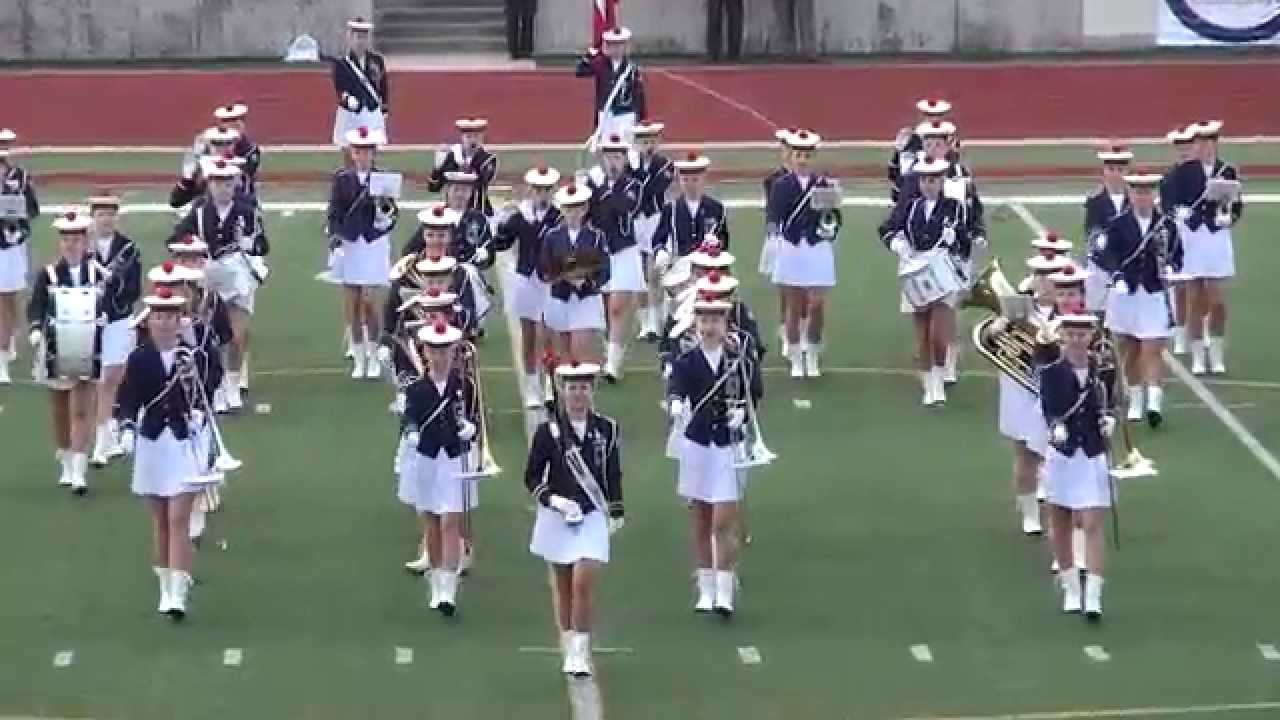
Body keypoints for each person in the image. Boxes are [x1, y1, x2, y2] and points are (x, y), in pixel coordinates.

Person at [118, 286, 224, 621]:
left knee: (178, 518)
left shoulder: (192, 354)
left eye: (171, 317)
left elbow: (212, 381)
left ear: (180, 321)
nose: (164, 323)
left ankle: (178, 591)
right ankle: (165, 585)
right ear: (150, 322)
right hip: (152, 442)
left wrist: (197, 358)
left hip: (185, 441)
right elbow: (129, 396)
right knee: (161, 520)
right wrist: (124, 428)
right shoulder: (140, 357)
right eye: (159, 317)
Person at [525, 358, 624, 676]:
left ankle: (581, 649)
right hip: (558, 516)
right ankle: (569, 643)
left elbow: (612, 472)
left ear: (592, 391)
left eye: (583, 387)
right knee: (563, 584)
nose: (578, 394)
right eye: (572, 388)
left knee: (583, 581)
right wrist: (554, 501)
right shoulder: (548, 432)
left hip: (592, 513)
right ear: (563, 392)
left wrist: (617, 508)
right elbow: (532, 477)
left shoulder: (607, 429)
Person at [667, 294, 761, 617]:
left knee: (723, 519)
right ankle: (705, 588)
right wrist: (677, 406)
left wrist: (743, 417)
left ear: (725, 325)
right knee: (701, 518)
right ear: (697, 324)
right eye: (705, 321)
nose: (710, 327)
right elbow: (676, 389)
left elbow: (753, 393)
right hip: (696, 445)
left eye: (716, 321)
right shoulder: (687, 362)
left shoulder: (738, 361)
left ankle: (725, 590)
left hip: (728, 446)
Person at [169, 159, 266, 410]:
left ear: (235, 183)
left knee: (236, 335)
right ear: (209, 185)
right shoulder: (200, 210)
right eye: (217, 183)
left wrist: (250, 243)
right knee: (210, 334)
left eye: (227, 183)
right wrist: (194, 248)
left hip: (239, 270)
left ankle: (233, 384)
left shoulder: (247, 209)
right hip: (210, 272)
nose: (223, 188)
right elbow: (175, 238)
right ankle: (218, 384)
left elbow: (262, 244)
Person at [1041, 312, 1116, 621]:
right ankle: (1071, 586)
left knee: (1092, 522)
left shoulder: (1103, 371)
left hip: (1093, 453)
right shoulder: (1051, 372)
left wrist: (1110, 418)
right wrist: (1054, 426)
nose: (1076, 340)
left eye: (1082, 335)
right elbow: (1049, 407)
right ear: (1063, 337)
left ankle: (1094, 593)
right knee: (1060, 520)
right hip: (1062, 454)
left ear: (1091, 338)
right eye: (1071, 334)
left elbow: (1110, 402)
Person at [879, 157, 970, 406]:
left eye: (934, 180)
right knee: (921, 335)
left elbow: (965, 243)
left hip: (943, 273)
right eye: (925, 180)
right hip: (916, 271)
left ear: (942, 181)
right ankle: (929, 383)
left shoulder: (954, 207)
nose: (929, 185)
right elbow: (886, 229)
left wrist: (957, 240)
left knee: (938, 334)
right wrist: (897, 244)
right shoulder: (909, 207)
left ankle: (939, 375)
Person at [1096, 170, 1182, 427]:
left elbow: (1178, 254)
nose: (1143, 198)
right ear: (1131, 195)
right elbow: (1106, 255)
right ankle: (1135, 400)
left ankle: (1154, 403)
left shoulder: (1167, 224)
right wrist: (1118, 275)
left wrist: (1172, 269)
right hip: (1126, 294)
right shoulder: (1117, 225)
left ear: (1154, 195)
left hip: (1155, 294)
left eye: (1147, 193)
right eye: (1138, 193)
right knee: (1130, 349)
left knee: (1152, 348)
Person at [402, 319, 475, 616]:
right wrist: (411, 433)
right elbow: (409, 417)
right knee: (432, 522)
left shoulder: (465, 384)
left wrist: (473, 428)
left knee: (450, 522)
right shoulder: (417, 389)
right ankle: (436, 583)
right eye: (434, 351)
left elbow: (477, 414)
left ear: (453, 352)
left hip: (456, 457)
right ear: (426, 353)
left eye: (445, 351)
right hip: (428, 457)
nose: (440, 356)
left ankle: (450, 589)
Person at [991, 253, 1068, 536]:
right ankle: (1029, 512)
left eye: (1052, 275)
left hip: (1058, 390)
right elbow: (993, 338)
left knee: (1058, 454)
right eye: (1042, 275)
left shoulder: (1070, 311)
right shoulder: (1018, 308)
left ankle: (1058, 514)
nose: (1047, 282)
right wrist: (1000, 326)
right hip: (1021, 388)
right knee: (1025, 454)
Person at [28, 211, 103, 492]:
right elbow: (36, 306)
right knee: (60, 409)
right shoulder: (48, 274)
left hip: (87, 347)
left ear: (85, 242)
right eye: (67, 239)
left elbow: (109, 302)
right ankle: (66, 461)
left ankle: (80, 470)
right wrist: (36, 328)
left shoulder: (97, 272)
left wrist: (104, 318)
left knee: (82, 409)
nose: (71, 245)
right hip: (54, 346)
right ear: (60, 243)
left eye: (77, 239)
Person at [1166, 120, 1242, 375]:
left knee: (1218, 301)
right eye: (1201, 142)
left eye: (1210, 141)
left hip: (1217, 237)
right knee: (1195, 298)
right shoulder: (1183, 172)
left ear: (1216, 144)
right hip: (1193, 237)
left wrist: (1229, 218)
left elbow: (1236, 203)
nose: (1205, 147)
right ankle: (1198, 354)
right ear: (1196, 144)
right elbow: (1170, 201)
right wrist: (1180, 213)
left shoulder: (1227, 170)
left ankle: (1217, 352)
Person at [767, 130, 841, 378]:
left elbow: (834, 216)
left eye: (807, 155)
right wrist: (776, 239)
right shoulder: (781, 185)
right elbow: (773, 217)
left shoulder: (823, 184)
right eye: (798, 155)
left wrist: (830, 227)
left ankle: (813, 351)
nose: (802, 160)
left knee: (817, 305)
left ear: (813, 157)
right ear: (792, 156)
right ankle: (797, 356)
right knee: (794, 304)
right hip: (792, 247)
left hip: (817, 247)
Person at [327, 127, 398, 381]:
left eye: (368, 151)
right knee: (353, 305)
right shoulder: (342, 179)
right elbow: (334, 212)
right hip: (350, 244)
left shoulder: (382, 178)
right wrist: (335, 242)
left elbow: (392, 213)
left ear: (373, 153)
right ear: (352, 154)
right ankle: (358, 358)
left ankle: (373, 351)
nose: (363, 156)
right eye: (358, 151)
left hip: (374, 243)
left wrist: (384, 218)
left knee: (370, 303)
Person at [494, 165, 563, 407]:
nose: (542, 195)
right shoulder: (520, 216)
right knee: (529, 336)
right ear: (530, 191)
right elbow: (501, 243)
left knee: (549, 335)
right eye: (538, 190)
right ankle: (532, 387)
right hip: (525, 279)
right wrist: (499, 224)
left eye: (546, 190)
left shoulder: (559, 217)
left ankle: (550, 386)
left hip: (550, 281)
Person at [86, 192, 142, 467]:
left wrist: (112, 302)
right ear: (93, 217)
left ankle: (111, 433)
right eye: (101, 214)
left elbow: (134, 289)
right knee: (98, 380)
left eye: (110, 214)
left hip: (119, 320)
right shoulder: (84, 248)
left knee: (114, 378)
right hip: (89, 322)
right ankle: (102, 439)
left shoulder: (129, 248)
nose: (106, 219)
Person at [586, 135, 644, 382]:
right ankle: (611, 348)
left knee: (618, 307)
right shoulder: (593, 184)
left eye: (618, 157)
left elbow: (622, 208)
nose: (613, 163)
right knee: (602, 307)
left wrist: (601, 191)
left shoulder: (632, 187)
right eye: (609, 157)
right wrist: (585, 187)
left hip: (623, 251)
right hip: (599, 252)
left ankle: (612, 364)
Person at [539, 183, 609, 363]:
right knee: (562, 357)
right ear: (561, 209)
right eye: (568, 208)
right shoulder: (552, 236)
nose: (572, 213)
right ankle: (559, 390)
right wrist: (565, 277)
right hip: (559, 299)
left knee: (581, 354)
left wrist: (587, 282)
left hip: (586, 300)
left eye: (577, 208)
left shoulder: (596, 236)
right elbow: (544, 269)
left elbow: (605, 269)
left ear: (584, 209)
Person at [0, 128, 41, 385]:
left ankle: (10, 337)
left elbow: (33, 210)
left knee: (10, 299)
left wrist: (16, 218)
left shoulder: (21, 178)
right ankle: (2, 356)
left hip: (10, 246)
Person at [630, 122, 674, 342]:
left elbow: (650, 190)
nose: (648, 146)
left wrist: (635, 175)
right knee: (638, 275)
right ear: (636, 143)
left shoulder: (665, 165)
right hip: (635, 222)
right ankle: (645, 323)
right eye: (643, 141)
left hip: (655, 219)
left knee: (654, 272)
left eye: (651, 141)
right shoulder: (629, 165)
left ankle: (658, 321)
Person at [1082, 145, 1133, 317]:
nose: (1116, 174)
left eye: (1120, 169)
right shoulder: (1095, 202)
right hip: (1102, 267)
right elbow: (1093, 237)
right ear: (1104, 172)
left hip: (1130, 265)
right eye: (1111, 169)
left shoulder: (1136, 200)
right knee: (1099, 316)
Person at [575, 27, 647, 147]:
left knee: (628, 149)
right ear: (607, 47)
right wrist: (590, 55)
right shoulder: (600, 64)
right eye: (613, 45)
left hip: (626, 114)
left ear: (625, 47)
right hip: (606, 115)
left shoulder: (632, 69)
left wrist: (642, 118)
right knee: (605, 148)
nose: (617, 49)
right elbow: (580, 72)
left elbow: (639, 95)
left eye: (620, 45)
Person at [332, 17, 390, 161]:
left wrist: (384, 109)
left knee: (372, 152)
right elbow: (339, 89)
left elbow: (383, 86)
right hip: (351, 113)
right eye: (357, 37)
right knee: (350, 153)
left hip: (371, 111)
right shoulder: (342, 64)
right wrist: (348, 101)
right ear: (350, 38)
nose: (360, 41)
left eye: (364, 37)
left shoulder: (377, 61)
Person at [1161, 126, 1196, 354]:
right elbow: (1165, 208)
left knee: (1203, 289)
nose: (1184, 150)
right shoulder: (1169, 178)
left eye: (1187, 146)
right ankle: (1181, 332)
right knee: (1181, 287)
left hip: (1202, 236)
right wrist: (1174, 216)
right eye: (1180, 146)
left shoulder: (1203, 174)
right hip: (1178, 236)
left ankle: (1200, 334)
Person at [761, 128, 794, 356]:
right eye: (786, 148)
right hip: (782, 238)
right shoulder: (772, 180)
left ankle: (800, 331)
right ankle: (786, 329)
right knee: (785, 289)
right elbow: (773, 214)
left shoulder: (814, 179)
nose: (788, 153)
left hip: (805, 240)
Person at [429, 119, 498, 218]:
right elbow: (433, 188)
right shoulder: (452, 156)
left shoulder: (488, 159)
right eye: (468, 137)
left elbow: (480, 182)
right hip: (451, 212)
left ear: (482, 139)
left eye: (476, 137)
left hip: (478, 211)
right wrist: (437, 169)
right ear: (462, 138)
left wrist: (462, 164)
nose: (473, 141)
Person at [888, 98, 951, 203]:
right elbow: (902, 174)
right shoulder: (911, 141)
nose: (934, 119)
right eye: (930, 115)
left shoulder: (949, 140)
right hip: (914, 195)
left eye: (938, 115)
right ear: (923, 117)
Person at [213, 103, 262, 204]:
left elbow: (247, 172)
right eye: (227, 121)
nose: (234, 124)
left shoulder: (251, 149)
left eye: (237, 120)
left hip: (243, 199)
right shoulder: (211, 145)